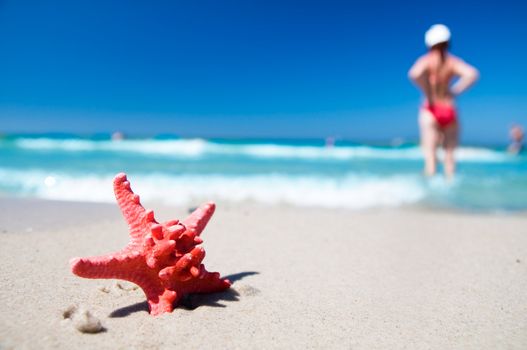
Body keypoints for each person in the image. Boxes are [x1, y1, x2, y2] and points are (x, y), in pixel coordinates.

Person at [408, 24, 479, 178]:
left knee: (431, 159)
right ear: (448, 42)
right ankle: (449, 198)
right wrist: (454, 91)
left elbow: (414, 74)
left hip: (430, 108)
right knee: (450, 158)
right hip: (449, 108)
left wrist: (427, 90)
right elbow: (472, 74)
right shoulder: (452, 62)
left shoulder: (426, 60)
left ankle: (432, 199)